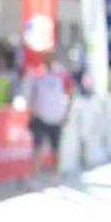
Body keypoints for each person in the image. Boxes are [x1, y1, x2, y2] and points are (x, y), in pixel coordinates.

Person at [22, 49, 72, 185]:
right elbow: (31, 95)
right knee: (37, 147)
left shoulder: (62, 73)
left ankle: (54, 175)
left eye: (51, 56)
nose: (48, 59)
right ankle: (36, 176)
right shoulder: (37, 73)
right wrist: (30, 115)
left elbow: (70, 93)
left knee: (55, 149)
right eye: (46, 56)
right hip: (40, 116)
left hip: (56, 117)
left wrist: (67, 113)